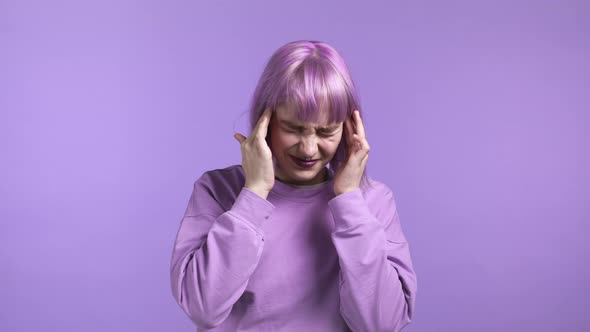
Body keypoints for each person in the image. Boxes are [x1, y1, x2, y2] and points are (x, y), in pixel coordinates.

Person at [170, 40, 417, 332]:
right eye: (294, 128)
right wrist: (254, 193)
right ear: (266, 119)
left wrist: (350, 201)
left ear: (349, 128)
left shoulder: (373, 201)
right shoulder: (217, 189)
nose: (309, 149)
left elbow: (381, 325)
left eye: (326, 131)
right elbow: (203, 309)